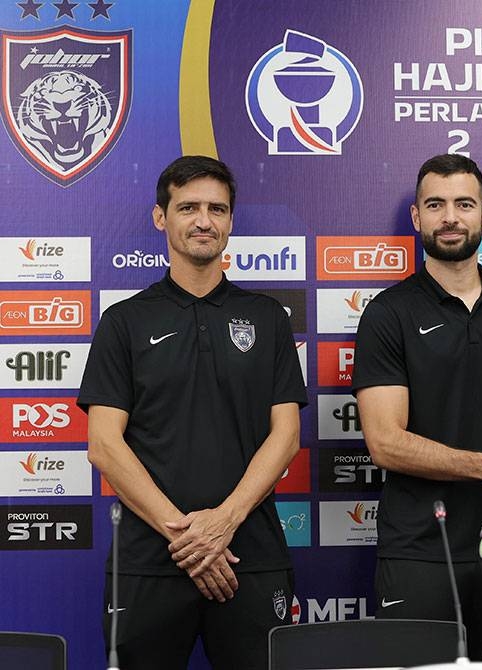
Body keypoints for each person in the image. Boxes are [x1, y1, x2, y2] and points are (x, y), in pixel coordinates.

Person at [78, 156, 307, 669]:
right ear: (161, 217)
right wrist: (189, 538)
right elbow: (104, 445)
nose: (204, 220)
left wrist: (224, 523)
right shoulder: (124, 322)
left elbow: (286, 435)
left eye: (217, 209)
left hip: (249, 556)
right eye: (188, 208)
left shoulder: (267, 318)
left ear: (229, 221)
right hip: (150, 562)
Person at [352, 154, 482, 660]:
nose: (450, 217)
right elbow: (385, 443)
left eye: (464, 204)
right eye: (436, 205)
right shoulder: (388, 314)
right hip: (420, 549)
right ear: (417, 218)